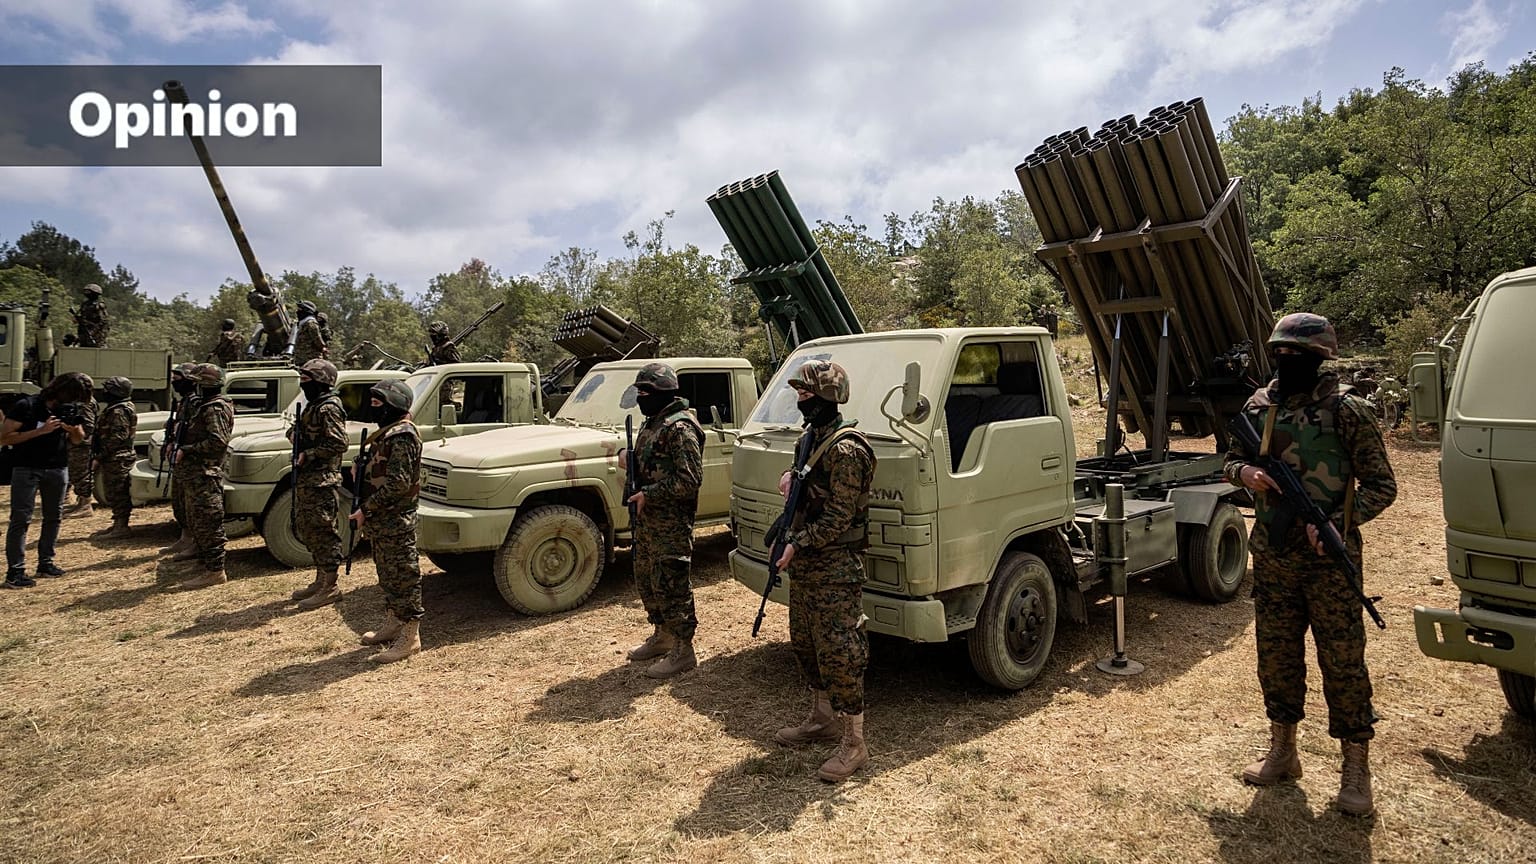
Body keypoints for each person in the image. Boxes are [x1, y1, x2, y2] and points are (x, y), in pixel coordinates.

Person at [1224, 312, 1397, 817]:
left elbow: (1383, 486)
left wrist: (1341, 524)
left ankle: (1355, 769)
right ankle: (1283, 751)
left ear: (1321, 358)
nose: (1286, 362)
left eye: (1296, 355)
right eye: (1280, 353)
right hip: (1274, 561)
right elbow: (1229, 460)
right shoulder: (1260, 408)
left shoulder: (1349, 412)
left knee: (1342, 664)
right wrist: (1247, 471)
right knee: (1276, 659)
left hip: (1328, 566)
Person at [771, 359, 876, 783]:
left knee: (840, 653)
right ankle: (822, 718)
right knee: (806, 644)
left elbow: (839, 517)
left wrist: (797, 542)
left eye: (807, 395)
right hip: (809, 567)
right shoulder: (812, 438)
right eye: (798, 394)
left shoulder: (847, 448)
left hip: (835, 567)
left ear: (829, 397)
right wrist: (789, 475)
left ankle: (855, 744)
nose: (801, 401)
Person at [618, 363, 705, 679]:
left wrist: (649, 494)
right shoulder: (653, 423)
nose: (641, 397)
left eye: (646, 391)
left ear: (664, 392)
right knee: (648, 579)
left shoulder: (679, 427)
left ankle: (683, 649)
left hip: (670, 522)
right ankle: (662, 635)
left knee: (672, 582)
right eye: (638, 391)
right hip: (649, 522)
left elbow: (691, 478)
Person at [352, 379, 424, 663]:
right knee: (387, 574)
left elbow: (398, 484)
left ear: (395, 405)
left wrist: (365, 509)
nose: (374, 408)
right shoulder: (387, 434)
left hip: (396, 520)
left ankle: (410, 636)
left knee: (403, 576)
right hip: (383, 521)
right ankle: (394, 621)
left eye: (379, 403)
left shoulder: (402, 435)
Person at [1, 373, 90, 587]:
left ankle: (46, 562)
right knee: (21, 518)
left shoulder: (69, 410)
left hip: (57, 469)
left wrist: (72, 429)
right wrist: (41, 431)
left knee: (54, 516)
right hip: (27, 468)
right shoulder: (27, 405)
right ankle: (16, 570)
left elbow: (79, 440)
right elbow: (5, 437)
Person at [165, 363, 235, 590]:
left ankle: (215, 571)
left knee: (208, 522)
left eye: (197, 382)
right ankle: (205, 563)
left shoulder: (214, 408)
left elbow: (218, 442)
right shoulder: (201, 405)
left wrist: (189, 449)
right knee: (196, 520)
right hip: (195, 474)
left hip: (206, 474)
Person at [289, 359, 349, 610]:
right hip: (308, 480)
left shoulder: (328, 408)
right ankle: (320, 579)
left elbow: (339, 443)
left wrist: (310, 454)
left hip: (323, 480)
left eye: (308, 380)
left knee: (324, 531)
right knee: (309, 530)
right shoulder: (312, 406)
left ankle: (330, 586)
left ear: (322, 382)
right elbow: (299, 431)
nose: (304, 384)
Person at [160, 363, 201, 558]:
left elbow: (194, 432)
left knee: (190, 503)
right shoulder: (184, 401)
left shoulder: (195, 402)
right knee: (179, 502)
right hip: (180, 457)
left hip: (191, 459)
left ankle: (194, 542)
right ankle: (185, 538)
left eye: (178, 379)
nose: (174, 382)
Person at [90, 376, 138, 539]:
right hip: (114, 457)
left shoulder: (119, 411)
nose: (104, 392)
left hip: (118, 458)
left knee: (118, 493)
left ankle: (121, 527)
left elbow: (118, 436)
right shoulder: (117, 407)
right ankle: (118, 524)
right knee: (112, 492)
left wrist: (100, 456)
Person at [63, 386, 98, 517]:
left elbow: (88, 426)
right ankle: (81, 503)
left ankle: (85, 506)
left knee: (81, 473)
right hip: (77, 443)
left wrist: (73, 433)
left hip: (81, 445)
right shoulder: (81, 401)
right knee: (76, 473)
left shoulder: (85, 403)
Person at [292, 300, 328, 366]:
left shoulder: (311, 323)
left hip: (311, 360)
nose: (298, 311)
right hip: (301, 359)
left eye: (300, 309)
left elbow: (317, 339)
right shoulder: (302, 323)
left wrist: (323, 347)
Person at [75, 283, 110, 347]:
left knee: (97, 350)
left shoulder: (99, 305)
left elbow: (103, 321)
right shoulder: (85, 304)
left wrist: (93, 331)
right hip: (84, 332)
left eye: (89, 291)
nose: (87, 293)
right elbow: (81, 316)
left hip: (97, 334)